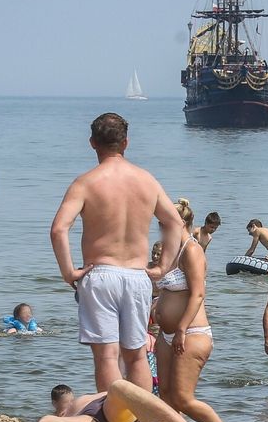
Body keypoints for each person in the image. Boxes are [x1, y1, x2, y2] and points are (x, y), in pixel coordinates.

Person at [51, 113, 183, 392]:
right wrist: (163, 267)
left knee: (107, 356)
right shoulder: (146, 180)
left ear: (92, 143)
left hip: (100, 274)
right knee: (136, 356)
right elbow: (174, 223)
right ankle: (143, 421)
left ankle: (112, 421)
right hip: (137, 276)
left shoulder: (85, 183)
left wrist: (68, 272)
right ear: (126, 142)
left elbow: (59, 230)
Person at [153, 198, 228, 422]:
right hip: (166, 334)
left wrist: (182, 329)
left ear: (180, 223)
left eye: (164, 223)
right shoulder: (169, 250)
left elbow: (197, 294)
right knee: (165, 394)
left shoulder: (192, 250)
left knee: (184, 399)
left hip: (191, 333)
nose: (161, 228)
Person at [0, 378, 202, 422]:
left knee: (118, 387)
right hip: (100, 417)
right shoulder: (73, 415)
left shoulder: (68, 413)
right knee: (118, 386)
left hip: (113, 414)